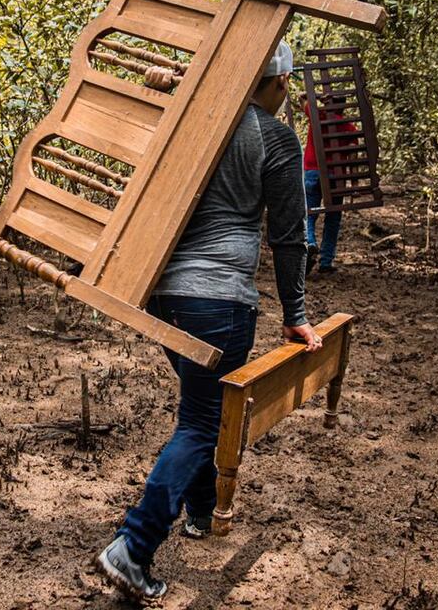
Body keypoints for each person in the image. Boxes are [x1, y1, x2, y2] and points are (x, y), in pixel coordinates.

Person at [95, 41, 322, 601]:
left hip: (162, 294)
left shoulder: (195, 118)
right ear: (281, 83)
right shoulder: (273, 136)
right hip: (219, 301)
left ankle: (198, 512)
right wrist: (294, 313)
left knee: (202, 403)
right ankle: (133, 545)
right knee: (201, 421)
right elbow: (289, 235)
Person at [301, 98, 357, 274]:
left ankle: (310, 242)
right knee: (333, 218)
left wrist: (317, 97)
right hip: (336, 177)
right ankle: (326, 262)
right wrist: (353, 183)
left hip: (312, 171)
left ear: (327, 103)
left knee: (308, 212)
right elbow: (353, 157)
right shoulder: (349, 127)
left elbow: (302, 98)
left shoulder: (317, 115)